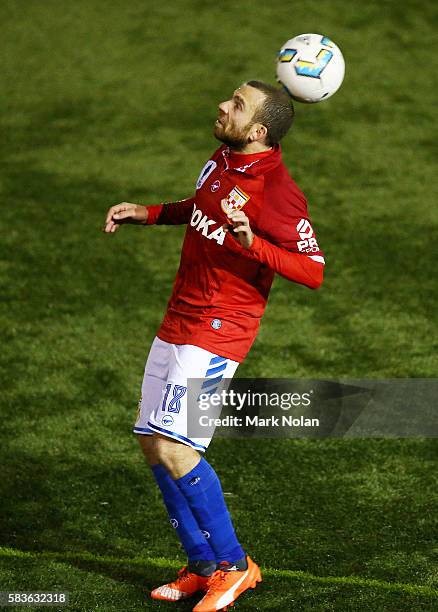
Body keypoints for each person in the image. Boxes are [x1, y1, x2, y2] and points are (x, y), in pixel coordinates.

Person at [104, 80, 324, 612]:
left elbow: (313, 271)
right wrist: (148, 212)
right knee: (152, 442)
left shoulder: (277, 192)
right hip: (180, 316)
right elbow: (198, 208)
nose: (223, 107)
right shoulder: (223, 159)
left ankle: (234, 565)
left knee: (180, 448)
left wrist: (256, 245)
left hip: (220, 328)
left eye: (237, 106)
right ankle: (201, 565)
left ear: (259, 131)